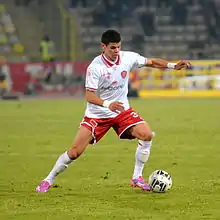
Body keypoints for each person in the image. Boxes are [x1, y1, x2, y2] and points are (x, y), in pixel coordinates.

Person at [36, 29, 191, 193]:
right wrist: (107, 104)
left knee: (146, 134)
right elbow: (89, 95)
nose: (117, 51)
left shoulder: (128, 57)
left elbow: (151, 62)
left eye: (118, 47)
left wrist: (173, 65)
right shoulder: (95, 68)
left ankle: (137, 177)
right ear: (103, 46)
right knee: (75, 152)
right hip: (97, 115)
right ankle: (48, 179)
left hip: (122, 112)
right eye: (113, 48)